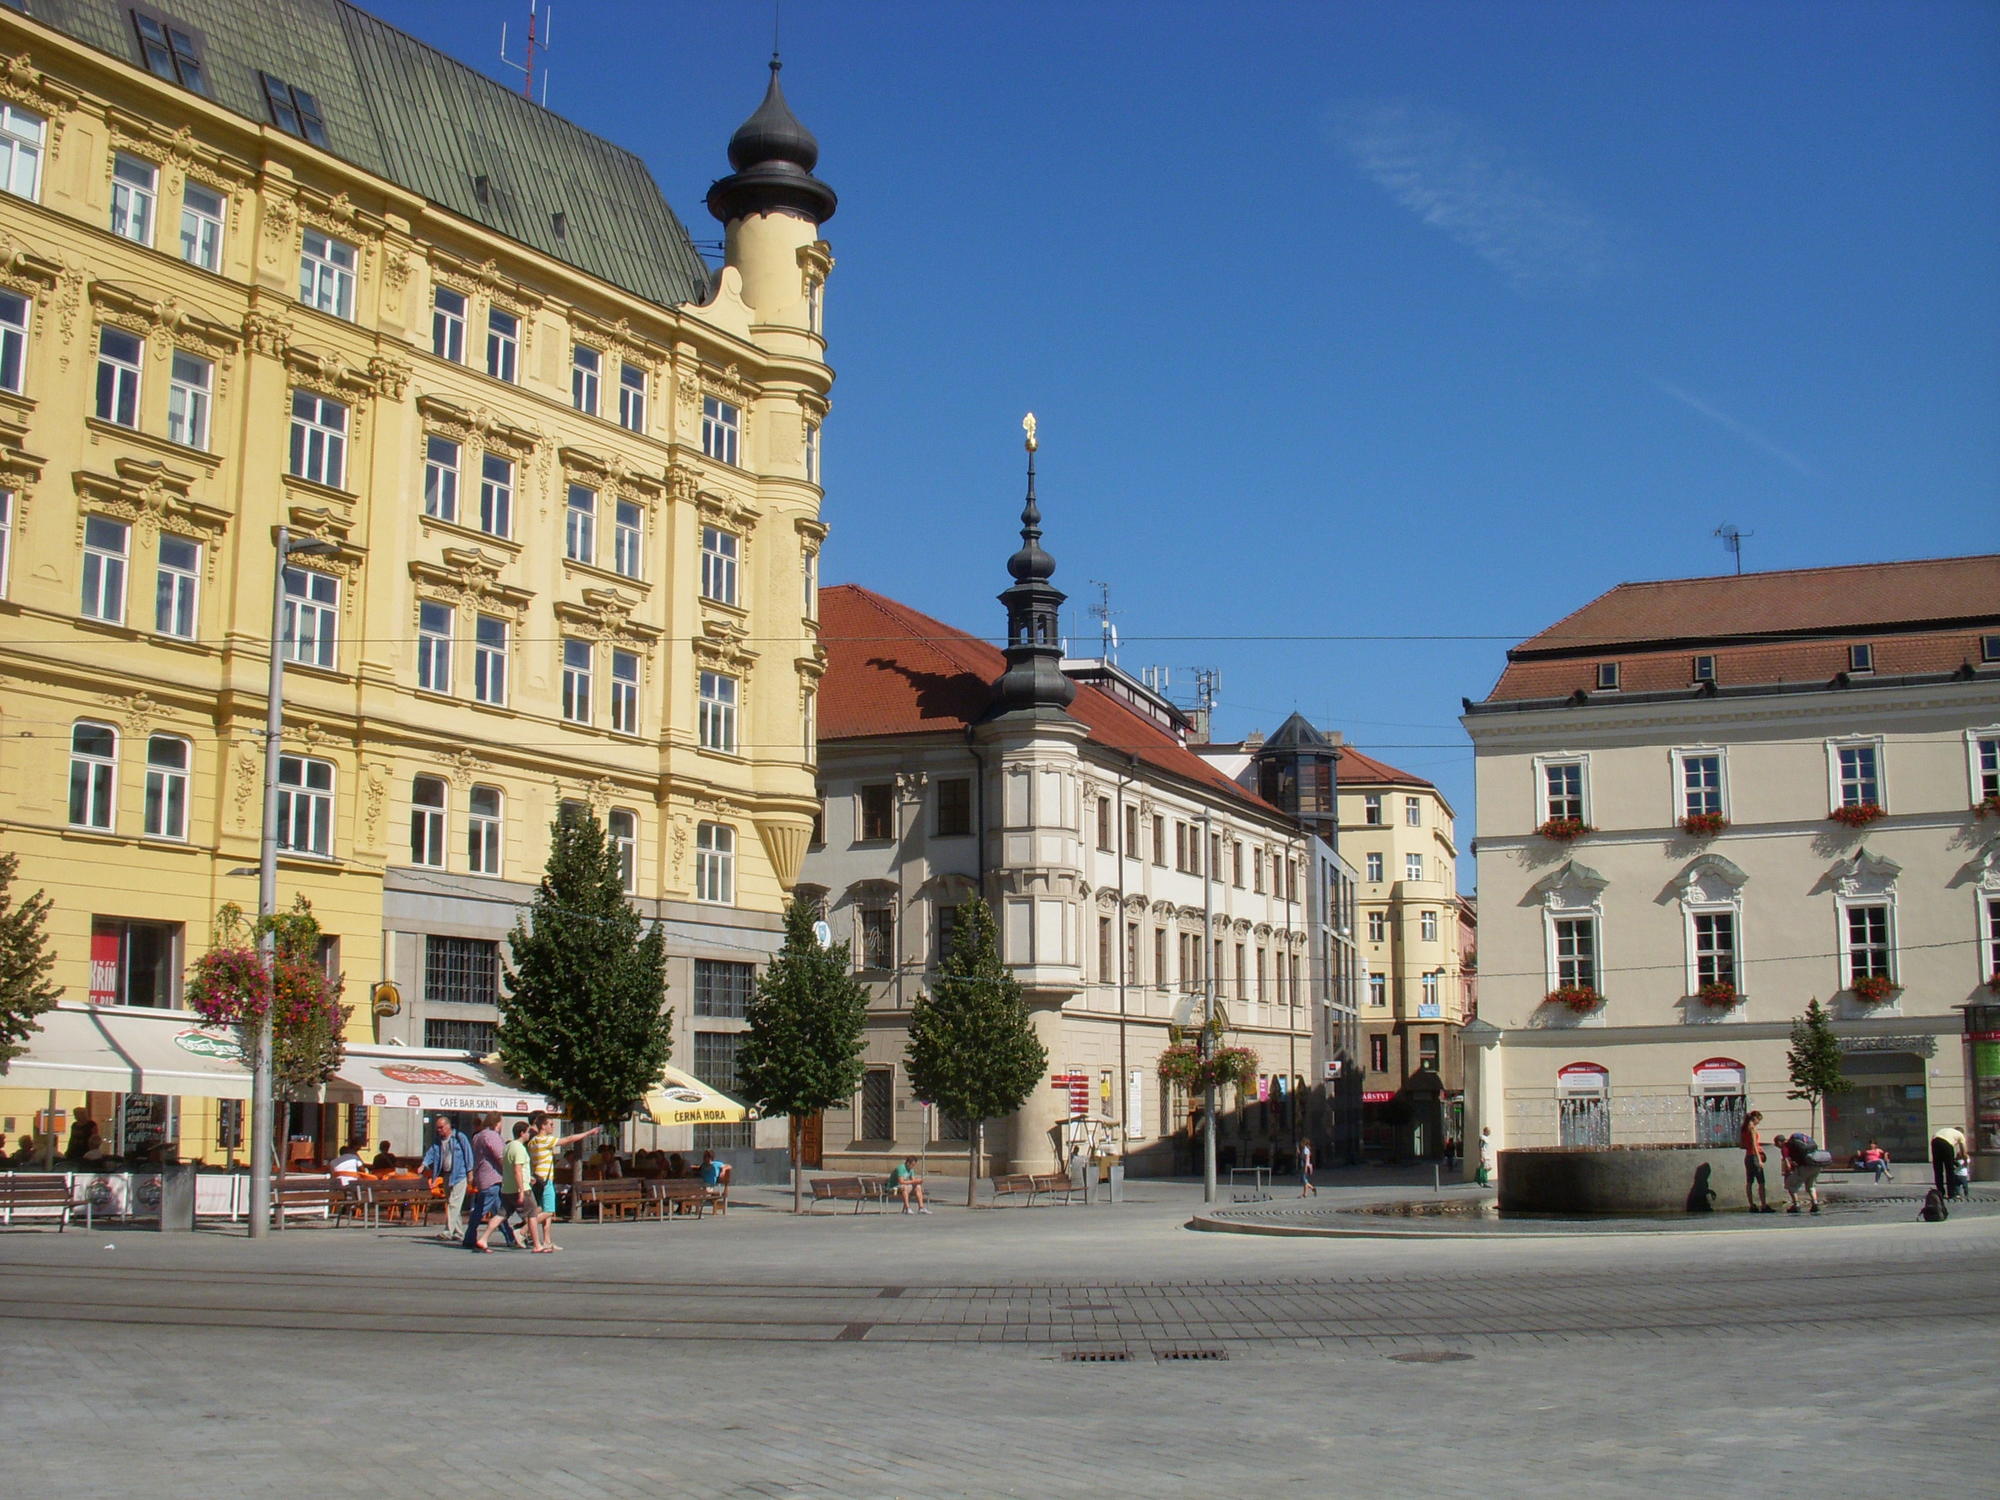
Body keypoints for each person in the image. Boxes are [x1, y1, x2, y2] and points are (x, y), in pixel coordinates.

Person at [526, 1112, 598, 1252]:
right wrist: (588, 1132)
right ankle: (522, 1231)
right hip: (546, 1179)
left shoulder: (533, 1141)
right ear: (543, 1126)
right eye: (551, 1124)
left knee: (543, 1209)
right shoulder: (544, 1140)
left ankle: (546, 1241)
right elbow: (569, 1139)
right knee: (549, 1210)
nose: (553, 1127)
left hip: (538, 1179)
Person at [463, 1112, 522, 1252]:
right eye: (501, 1122)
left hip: (483, 1176)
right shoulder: (491, 1136)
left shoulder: (478, 1136)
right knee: (482, 1209)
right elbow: (501, 1156)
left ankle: (510, 1237)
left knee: (499, 1211)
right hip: (492, 1178)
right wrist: (509, 1172)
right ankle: (470, 1238)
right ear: (496, 1123)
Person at [420, 1116, 474, 1241]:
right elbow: (431, 1152)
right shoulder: (438, 1141)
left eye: (441, 1127)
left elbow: (468, 1153)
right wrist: (424, 1164)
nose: (439, 1130)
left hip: (459, 1175)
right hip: (447, 1175)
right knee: (453, 1204)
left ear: (448, 1126)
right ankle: (459, 1233)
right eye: (437, 1128)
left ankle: (447, 1231)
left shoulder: (459, 1137)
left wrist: (470, 1172)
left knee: (454, 1204)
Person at [1739, 1110, 1775, 1213]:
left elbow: (1742, 1145)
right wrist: (1759, 1159)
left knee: (1749, 1182)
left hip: (1748, 1158)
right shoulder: (1752, 1129)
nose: (1758, 1122)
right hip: (1754, 1157)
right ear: (1754, 1118)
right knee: (1761, 1182)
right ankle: (1763, 1205)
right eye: (1758, 1120)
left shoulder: (1744, 1129)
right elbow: (1754, 1144)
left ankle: (1751, 1205)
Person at [1781, 1132, 1821, 1215]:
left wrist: (1788, 1173)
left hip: (1804, 1167)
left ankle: (1796, 1205)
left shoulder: (1785, 1146)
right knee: (1811, 1185)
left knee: (1791, 1185)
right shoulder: (1804, 1143)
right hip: (1816, 1165)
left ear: (1779, 1142)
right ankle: (1815, 1204)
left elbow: (1787, 1164)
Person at [1930, 1125, 1969, 1202]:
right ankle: (1951, 1193)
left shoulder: (1946, 1130)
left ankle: (1940, 1192)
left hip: (1935, 1142)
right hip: (1947, 1144)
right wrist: (1965, 1162)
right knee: (1949, 1170)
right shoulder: (1960, 1135)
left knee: (1938, 1169)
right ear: (1962, 1132)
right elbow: (1964, 1152)